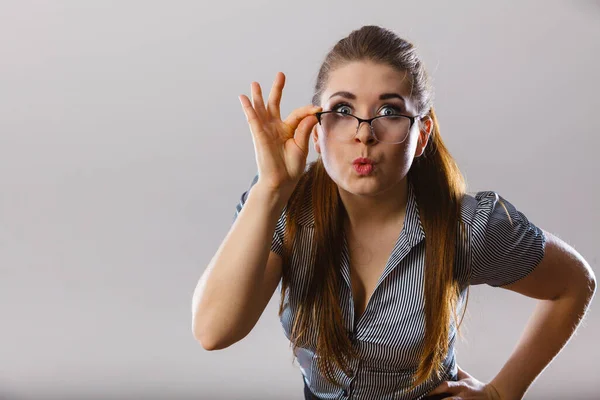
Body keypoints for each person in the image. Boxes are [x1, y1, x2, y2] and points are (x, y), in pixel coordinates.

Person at [191, 25, 596, 400]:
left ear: (421, 135)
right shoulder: (281, 210)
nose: (364, 133)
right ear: (317, 132)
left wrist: (501, 393)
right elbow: (213, 331)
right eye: (343, 110)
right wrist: (271, 189)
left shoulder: (465, 227)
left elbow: (575, 283)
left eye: (389, 112)